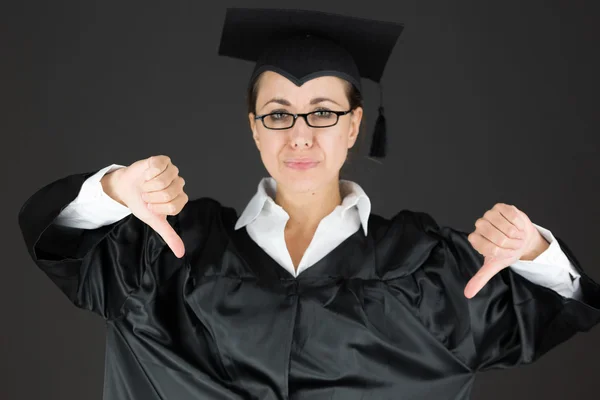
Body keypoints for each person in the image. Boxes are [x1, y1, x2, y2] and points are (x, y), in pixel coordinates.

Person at [18, 7, 600, 400]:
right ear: (254, 128)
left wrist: (534, 250)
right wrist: (116, 189)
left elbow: (565, 306)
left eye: (323, 112)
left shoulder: (428, 268)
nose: (300, 135)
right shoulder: (170, 252)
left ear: (354, 127)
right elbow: (58, 241)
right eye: (278, 114)